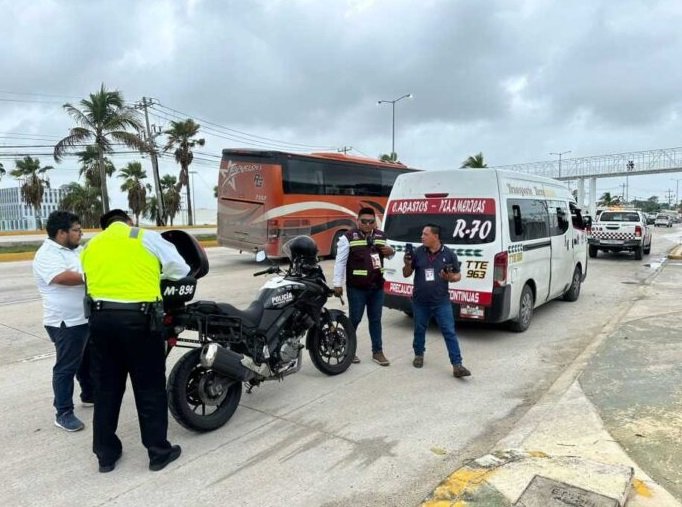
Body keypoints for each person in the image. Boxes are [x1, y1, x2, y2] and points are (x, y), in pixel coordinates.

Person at [81, 209, 190, 473]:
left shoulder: (90, 244)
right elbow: (181, 269)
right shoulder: (144, 237)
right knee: (149, 388)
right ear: (129, 221)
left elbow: (86, 276)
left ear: (105, 226)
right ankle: (158, 453)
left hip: (100, 321)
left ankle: (106, 456)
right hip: (139, 321)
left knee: (106, 388)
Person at [33, 211, 93, 432]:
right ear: (61, 233)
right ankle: (63, 412)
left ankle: (89, 394)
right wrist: (95, 275)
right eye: (76, 230)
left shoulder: (78, 250)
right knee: (66, 367)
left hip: (85, 317)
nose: (80, 233)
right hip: (64, 322)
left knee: (87, 359)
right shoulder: (47, 254)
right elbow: (62, 278)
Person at [402, 224, 471, 378]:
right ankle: (419, 355)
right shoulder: (418, 252)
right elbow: (406, 274)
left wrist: (451, 277)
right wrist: (407, 264)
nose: (422, 237)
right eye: (422, 234)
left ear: (435, 236)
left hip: (441, 302)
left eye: (425, 234)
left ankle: (457, 365)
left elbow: (458, 275)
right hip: (420, 301)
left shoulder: (449, 254)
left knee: (449, 332)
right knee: (419, 330)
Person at [333, 207, 394, 366]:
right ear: (357, 221)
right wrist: (337, 284)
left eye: (371, 221)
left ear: (375, 222)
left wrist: (391, 251)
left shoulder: (380, 236)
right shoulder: (348, 237)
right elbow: (340, 262)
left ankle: (377, 352)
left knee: (375, 320)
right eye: (364, 221)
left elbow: (389, 253)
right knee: (355, 319)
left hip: (377, 287)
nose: (367, 224)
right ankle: (348, 350)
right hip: (357, 288)